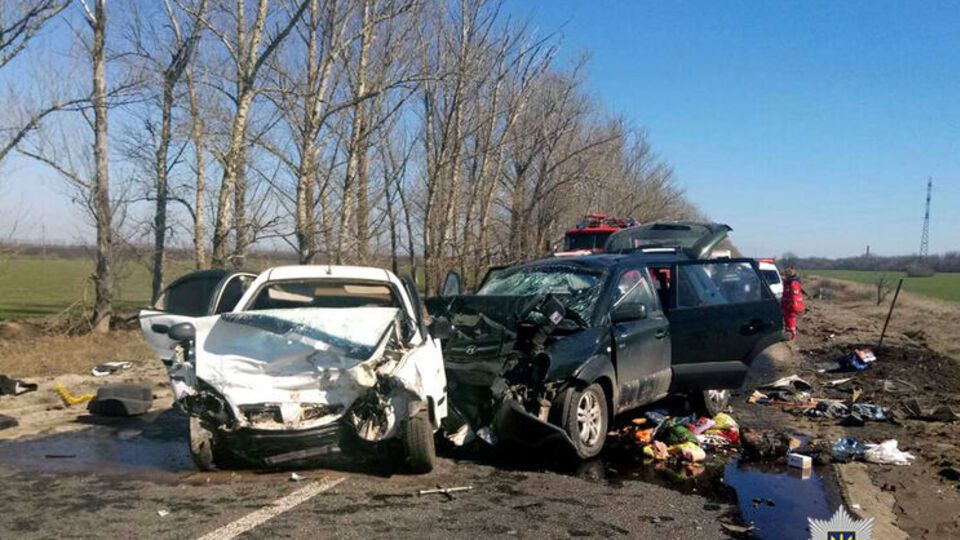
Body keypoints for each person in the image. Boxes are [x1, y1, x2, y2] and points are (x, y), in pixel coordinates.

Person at [781, 268, 805, 340]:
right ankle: (788, 333)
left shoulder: (793, 283)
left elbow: (794, 295)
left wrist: (793, 304)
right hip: (787, 304)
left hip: (790, 305)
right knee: (787, 319)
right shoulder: (788, 282)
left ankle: (791, 334)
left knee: (791, 319)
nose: (784, 276)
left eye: (785, 275)